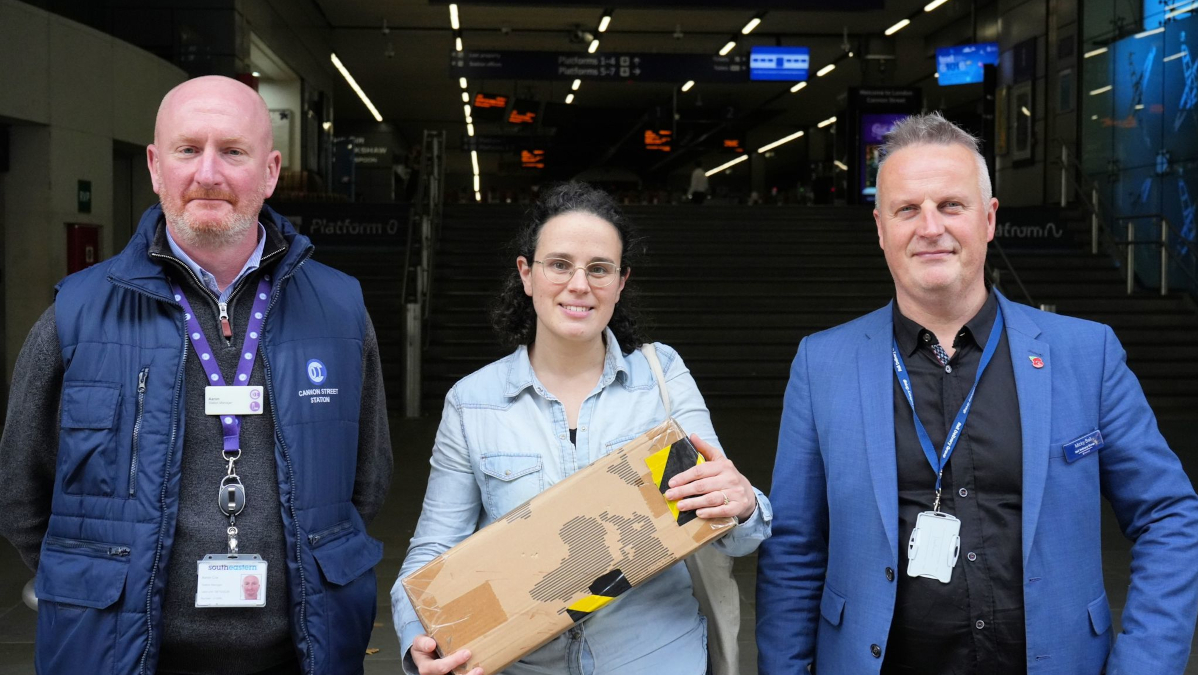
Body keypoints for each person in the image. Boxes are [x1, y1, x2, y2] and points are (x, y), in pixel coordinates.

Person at [755, 112, 1198, 675]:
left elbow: (1168, 514)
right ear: (881, 228)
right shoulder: (822, 364)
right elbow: (793, 550)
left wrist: (1144, 665)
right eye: (907, 209)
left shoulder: (1087, 354)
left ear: (988, 219)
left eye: (951, 205)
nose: (930, 227)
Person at [0, 76, 393, 675]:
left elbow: (367, 480)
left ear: (270, 171)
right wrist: (96, 586)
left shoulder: (340, 309)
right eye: (188, 149)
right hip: (119, 657)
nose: (208, 173)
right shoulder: (76, 313)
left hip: (303, 657)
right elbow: (21, 491)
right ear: (156, 167)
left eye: (233, 151)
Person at [391, 182, 772, 675]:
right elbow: (433, 551)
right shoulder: (473, 402)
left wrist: (742, 505)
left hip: (654, 660)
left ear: (620, 281)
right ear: (526, 274)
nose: (579, 284)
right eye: (559, 264)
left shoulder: (662, 379)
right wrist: (416, 638)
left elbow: (728, 530)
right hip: (522, 666)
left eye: (599, 268)